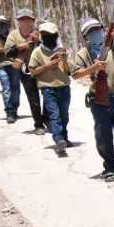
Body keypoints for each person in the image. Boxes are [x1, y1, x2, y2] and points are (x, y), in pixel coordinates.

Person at [69, 17, 114, 181]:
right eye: (91, 32)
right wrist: (93, 68)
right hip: (98, 100)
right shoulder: (84, 53)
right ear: (86, 37)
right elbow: (75, 74)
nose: (96, 34)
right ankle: (109, 167)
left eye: (98, 30)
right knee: (103, 135)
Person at [28, 21, 73, 157]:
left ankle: (64, 137)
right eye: (46, 35)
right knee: (54, 116)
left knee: (64, 116)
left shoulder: (61, 50)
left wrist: (64, 60)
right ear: (42, 36)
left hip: (64, 87)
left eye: (52, 35)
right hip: (48, 89)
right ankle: (58, 139)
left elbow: (69, 71)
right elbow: (32, 71)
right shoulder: (37, 52)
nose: (49, 37)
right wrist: (47, 66)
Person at [3, 8, 47, 134]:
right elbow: (8, 52)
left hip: (43, 68)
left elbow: (51, 47)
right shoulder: (13, 35)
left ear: (33, 21)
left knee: (49, 94)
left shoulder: (40, 33)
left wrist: (39, 41)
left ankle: (47, 118)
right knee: (33, 98)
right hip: (26, 70)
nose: (26, 22)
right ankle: (39, 124)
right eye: (23, 20)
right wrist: (21, 47)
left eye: (29, 20)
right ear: (18, 21)